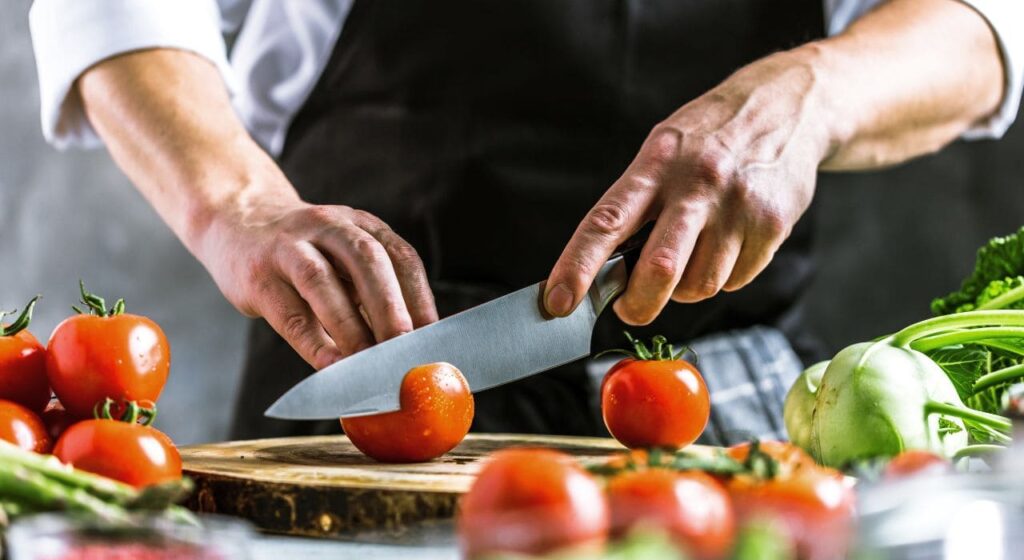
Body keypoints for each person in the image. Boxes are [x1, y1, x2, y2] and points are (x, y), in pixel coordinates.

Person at [30, 0, 1023, 443]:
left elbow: (987, 24)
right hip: (360, 402)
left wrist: (812, 90)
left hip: (715, 409)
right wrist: (232, 202)